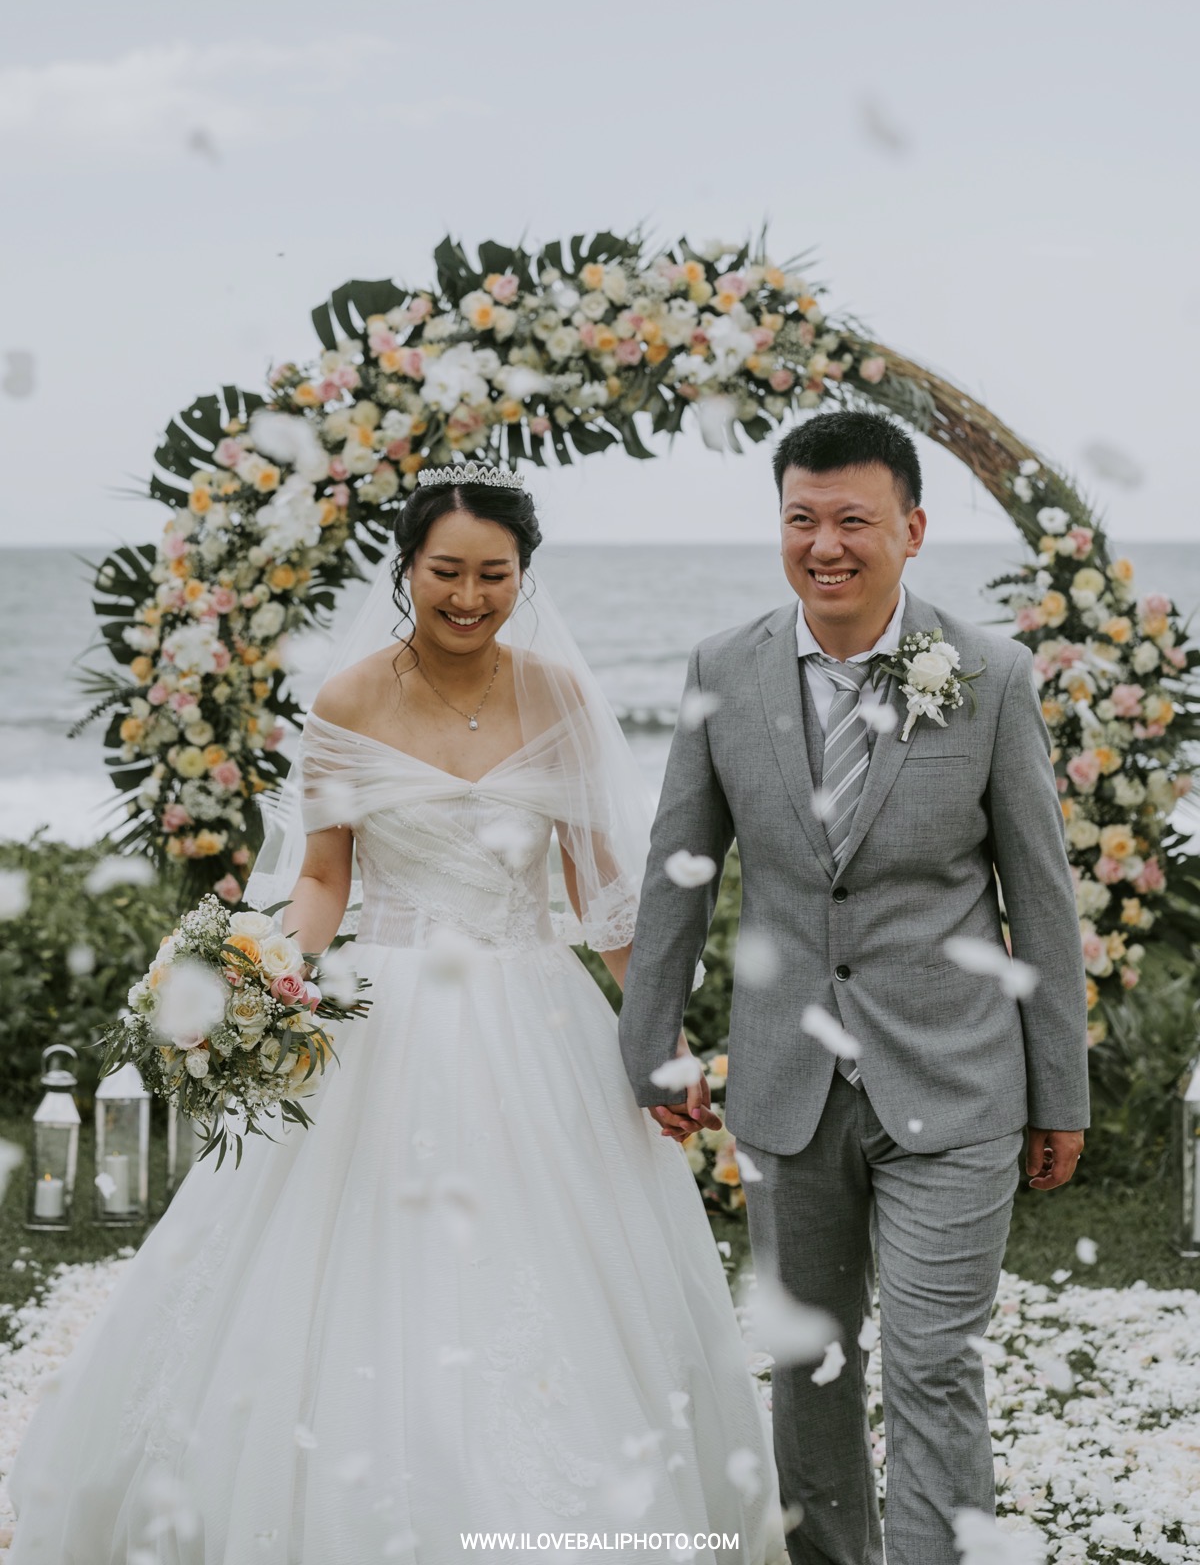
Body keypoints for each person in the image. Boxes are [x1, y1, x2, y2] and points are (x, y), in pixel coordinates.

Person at [8, 463, 784, 1564]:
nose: (469, 597)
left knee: (557, 1273)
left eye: (494, 575)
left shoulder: (559, 697)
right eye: (446, 572)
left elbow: (604, 893)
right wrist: (265, 975)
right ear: (407, 568)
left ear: (524, 575)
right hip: (387, 1011)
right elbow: (324, 877)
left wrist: (661, 1040)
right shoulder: (348, 702)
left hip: (535, 1016)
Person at [618, 410, 1090, 1565]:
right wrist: (652, 1045)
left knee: (936, 1363)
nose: (824, 545)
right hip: (786, 1084)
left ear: (911, 530)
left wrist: (1060, 1091)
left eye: (852, 521)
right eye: (801, 519)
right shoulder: (722, 670)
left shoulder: (990, 676)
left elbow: (1040, 898)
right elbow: (680, 870)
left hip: (958, 1080)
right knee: (810, 1363)